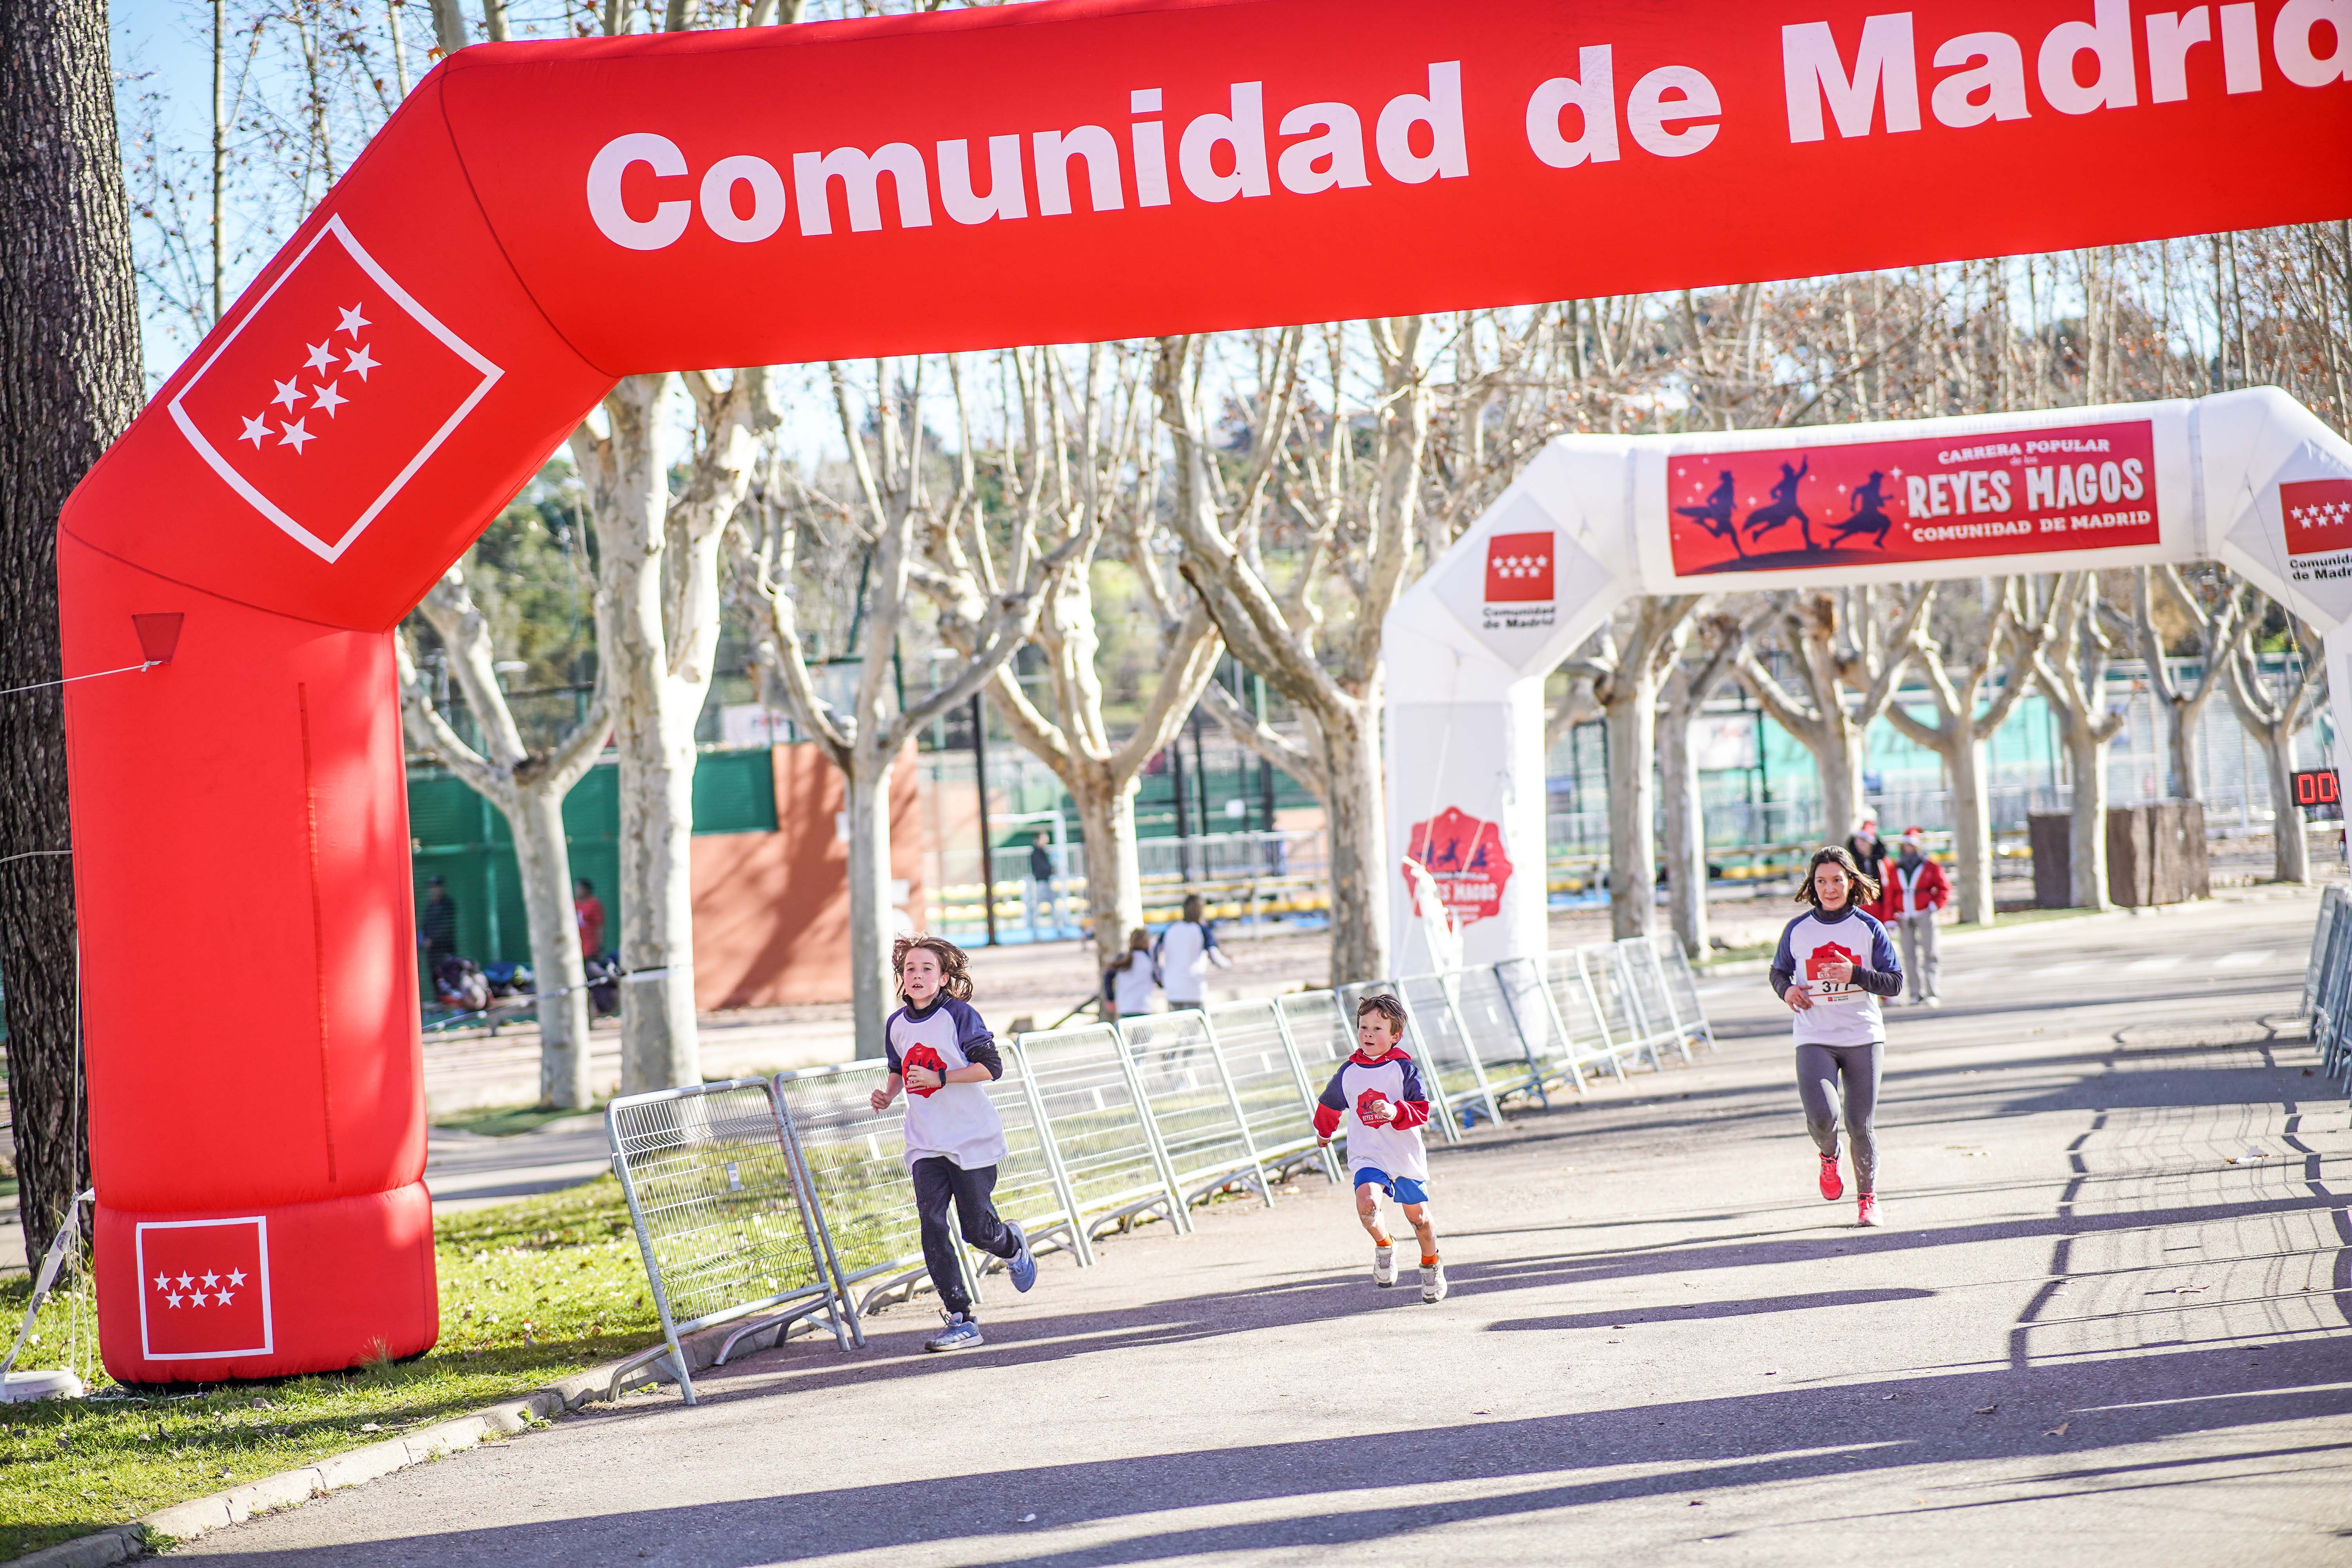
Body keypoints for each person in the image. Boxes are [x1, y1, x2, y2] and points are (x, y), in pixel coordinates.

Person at [868, 934, 1038, 1351]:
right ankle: (961, 1318)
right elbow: (898, 1067)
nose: (918, 975)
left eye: (927, 969)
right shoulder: (896, 1024)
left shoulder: (960, 1016)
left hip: (971, 1138)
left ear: (944, 978)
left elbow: (991, 1068)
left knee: (976, 1230)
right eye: (910, 969)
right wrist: (889, 1093)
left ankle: (1012, 1245)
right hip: (925, 1142)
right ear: (902, 979)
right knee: (932, 1222)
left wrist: (941, 1078)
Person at [1771, 845, 1904, 1228]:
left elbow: (1894, 983)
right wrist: (1787, 991)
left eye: (1837, 880)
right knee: (1823, 1118)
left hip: (1862, 1034)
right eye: (1822, 881)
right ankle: (1829, 1156)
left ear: (1851, 882)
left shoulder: (1868, 927)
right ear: (1813, 885)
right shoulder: (1798, 930)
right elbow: (1779, 972)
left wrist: (1855, 975)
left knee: (1860, 1124)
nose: (1830, 888)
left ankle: (1868, 1199)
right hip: (1815, 1035)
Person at [1312, 994, 1446, 1303]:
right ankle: (1385, 1245)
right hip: (1367, 1154)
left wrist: (1395, 1112)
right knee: (1367, 1205)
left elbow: (1421, 1110)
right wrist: (1323, 1132)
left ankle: (1431, 1264)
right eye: (1363, 1027)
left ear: (1395, 1036)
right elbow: (1330, 1104)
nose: (1369, 1034)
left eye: (1378, 1029)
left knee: (1419, 1219)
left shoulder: (1404, 1069)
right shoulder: (1349, 1071)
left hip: (1403, 1156)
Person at [1884, 828, 1949, 1006]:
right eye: (1905, 846)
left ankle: (1932, 992)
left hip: (1924, 914)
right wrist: (1891, 917)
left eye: (1911, 846)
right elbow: (1890, 894)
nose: (1908, 849)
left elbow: (1944, 888)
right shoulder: (1896, 868)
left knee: (1930, 953)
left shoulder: (1930, 866)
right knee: (1909, 955)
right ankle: (1915, 993)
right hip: (1905, 917)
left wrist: (1934, 905)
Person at [1153, 893, 1231, 1011]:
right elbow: (1215, 956)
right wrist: (1228, 963)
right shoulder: (1202, 930)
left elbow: (1155, 953)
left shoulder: (1170, 929)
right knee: (1194, 1028)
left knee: (1176, 1025)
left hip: (1173, 987)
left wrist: (1160, 976)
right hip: (1194, 987)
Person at [1100, 926, 1160, 1023]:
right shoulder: (1148, 960)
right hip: (1143, 1006)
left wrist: (1110, 999)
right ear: (1146, 943)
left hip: (1125, 1006)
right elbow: (1158, 979)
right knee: (1143, 1037)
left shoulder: (1123, 959)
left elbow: (1108, 977)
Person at [1844, 814, 1891, 910]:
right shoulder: (1851, 863)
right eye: (1858, 840)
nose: (1859, 844)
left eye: (1863, 841)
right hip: (1859, 907)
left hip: (1880, 907)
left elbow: (1888, 889)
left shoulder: (1883, 863)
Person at [1024, 831, 1059, 942]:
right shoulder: (1036, 853)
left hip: (1046, 882)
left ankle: (1058, 929)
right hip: (1040, 883)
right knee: (1037, 908)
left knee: (1053, 907)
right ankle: (1035, 932)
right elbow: (1041, 868)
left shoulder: (1044, 852)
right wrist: (1050, 870)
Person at [418, 876, 459, 964]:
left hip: (445, 950)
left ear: (442, 888)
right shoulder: (430, 907)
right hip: (432, 953)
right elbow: (425, 925)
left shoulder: (448, 904)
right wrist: (422, 940)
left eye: (436, 887)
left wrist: (432, 940)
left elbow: (446, 924)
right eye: (431, 887)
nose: (433, 890)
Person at [573, 877, 606, 961]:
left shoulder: (594, 904)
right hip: (577, 944)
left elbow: (600, 926)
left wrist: (600, 945)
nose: (577, 891)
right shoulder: (574, 905)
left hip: (590, 946)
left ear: (586, 890)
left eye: (580, 888)